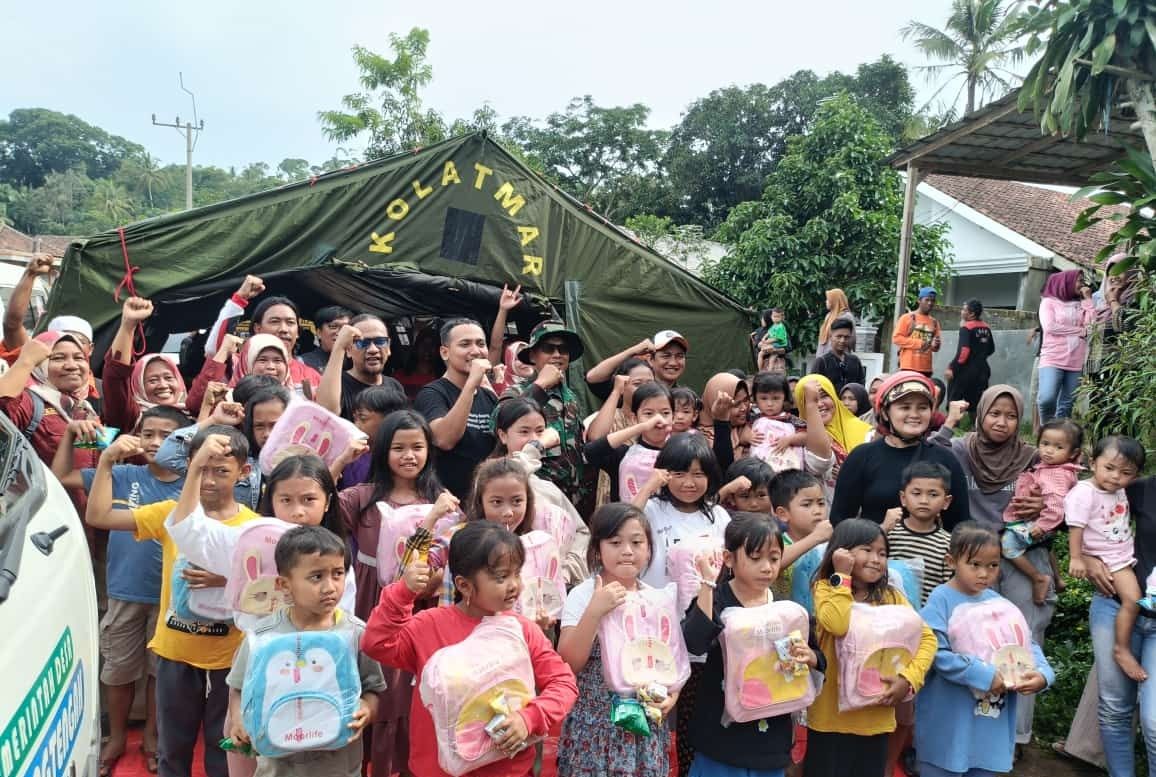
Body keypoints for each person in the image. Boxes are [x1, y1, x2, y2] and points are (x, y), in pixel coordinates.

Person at [85, 426, 258, 777]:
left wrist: (227, 579)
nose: (209, 480)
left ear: (244, 472)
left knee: (221, 749)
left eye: (221, 471)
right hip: (175, 651)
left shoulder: (254, 527)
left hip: (232, 658)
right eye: (201, 468)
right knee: (172, 747)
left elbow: (267, 592)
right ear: (189, 466)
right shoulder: (171, 513)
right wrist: (105, 462)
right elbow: (99, 516)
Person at [363, 521, 579, 777]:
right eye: (501, 577)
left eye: (517, 573)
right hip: (438, 770)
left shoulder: (521, 630)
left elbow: (563, 683)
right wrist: (402, 593)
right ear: (464, 585)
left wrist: (528, 718)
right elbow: (377, 644)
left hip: (509, 770)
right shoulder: (429, 626)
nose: (514, 585)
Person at [52, 405, 188, 776]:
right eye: (148, 433)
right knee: (118, 670)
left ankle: (152, 738)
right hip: (124, 592)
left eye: (168, 436)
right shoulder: (123, 473)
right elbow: (61, 476)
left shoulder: (192, 483)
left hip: (171, 598)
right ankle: (114, 739)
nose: (155, 442)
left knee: (161, 674)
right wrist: (73, 438)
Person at [931, 385, 1051, 751]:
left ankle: (1014, 736)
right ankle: (965, 733)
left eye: (1011, 415)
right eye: (994, 413)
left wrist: (1043, 507)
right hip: (971, 554)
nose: (1002, 422)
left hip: (1020, 554)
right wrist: (950, 422)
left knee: (1023, 637)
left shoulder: (1031, 457)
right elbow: (927, 453)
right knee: (965, 639)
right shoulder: (960, 449)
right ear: (980, 414)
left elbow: (1060, 500)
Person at [225, 525, 384, 777]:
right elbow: (239, 687)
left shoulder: (355, 633)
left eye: (338, 573)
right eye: (316, 577)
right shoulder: (263, 636)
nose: (330, 587)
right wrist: (238, 719)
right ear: (284, 584)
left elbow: (373, 688)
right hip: (277, 768)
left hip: (337, 767)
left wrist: (367, 708)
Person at [682, 513, 825, 777]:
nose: (767, 567)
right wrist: (707, 584)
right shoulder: (717, 599)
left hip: (771, 731)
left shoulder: (784, 608)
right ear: (729, 558)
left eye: (773, 558)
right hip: (721, 734)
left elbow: (817, 656)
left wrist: (810, 657)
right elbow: (694, 641)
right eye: (755, 557)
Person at [914, 523, 1053, 777]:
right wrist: (983, 675)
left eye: (993, 565)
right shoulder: (940, 600)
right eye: (974, 564)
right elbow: (936, 653)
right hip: (949, 720)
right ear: (951, 561)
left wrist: (1043, 674)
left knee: (983, 768)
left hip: (990, 727)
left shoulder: (1002, 604)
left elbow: (1026, 644)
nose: (984, 574)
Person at [805, 518, 936, 777]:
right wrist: (841, 576)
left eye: (883, 553)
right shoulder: (826, 588)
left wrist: (908, 679)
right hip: (830, 720)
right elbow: (838, 624)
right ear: (841, 551)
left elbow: (927, 640)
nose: (876, 559)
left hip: (876, 717)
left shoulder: (892, 597)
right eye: (867, 549)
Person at [556, 504, 677, 777]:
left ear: (649, 549)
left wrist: (672, 696)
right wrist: (595, 611)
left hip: (644, 724)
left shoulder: (655, 600)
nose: (627, 551)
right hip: (595, 724)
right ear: (597, 549)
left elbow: (670, 661)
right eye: (615, 542)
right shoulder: (583, 594)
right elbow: (568, 662)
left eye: (636, 542)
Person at [831, 372, 969, 531]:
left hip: (931, 554)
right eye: (905, 407)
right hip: (873, 553)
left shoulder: (945, 460)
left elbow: (960, 525)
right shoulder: (862, 457)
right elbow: (840, 521)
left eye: (923, 407)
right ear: (885, 412)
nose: (914, 414)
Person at [1066, 435, 1146, 682]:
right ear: (1093, 463)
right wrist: (1077, 558)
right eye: (1108, 468)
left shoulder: (1120, 490)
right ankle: (1121, 648)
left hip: (1121, 555)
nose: (1115, 477)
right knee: (1133, 600)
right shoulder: (1084, 492)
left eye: (1125, 473)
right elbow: (1075, 527)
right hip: (1111, 560)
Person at [500, 319, 588, 508]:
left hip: (571, 498)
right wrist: (539, 386)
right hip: (534, 494)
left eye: (563, 349)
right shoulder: (516, 391)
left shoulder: (571, 397)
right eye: (549, 348)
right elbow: (497, 423)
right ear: (532, 355)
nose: (557, 354)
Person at [1001, 419, 1083, 605]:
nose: (1048, 450)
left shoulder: (1057, 474)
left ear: (1073, 453)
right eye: (1045, 444)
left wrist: (1042, 525)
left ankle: (1038, 577)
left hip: (1041, 523)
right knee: (1046, 545)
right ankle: (1057, 578)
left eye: (1058, 447)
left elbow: (1056, 504)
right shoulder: (1054, 467)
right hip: (1044, 524)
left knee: (1008, 545)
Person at [414, 318, 498, 499]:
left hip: (485, 501)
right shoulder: (432, 394)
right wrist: (472, 383)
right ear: (445, 352)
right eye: (465, 344)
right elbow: (444, 439)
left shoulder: (489, 396)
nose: (475, 351)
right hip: (447, 503)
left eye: (481, 344)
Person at [0, 332, 102, 470]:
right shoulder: (30, 402)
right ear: (40, 365)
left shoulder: (85, 409)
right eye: (58, 358)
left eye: (79, 358)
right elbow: (3, 411)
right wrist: (26, 361)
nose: (72, 365)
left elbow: (87, 469)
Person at [203, 277, 323, 393]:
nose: (284, 329)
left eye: (290, 322)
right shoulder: (236, 365)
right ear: (257, 328)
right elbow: (214, 350)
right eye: (274, 321)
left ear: (297, 332)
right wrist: (238, 300)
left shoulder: (311, 376)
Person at [102, 296, 191, 432]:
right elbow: (116, 376)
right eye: (152, 380)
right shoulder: (130, 417)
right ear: (138, 386)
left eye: (168, 378)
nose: (163, 385)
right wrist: (128, 326)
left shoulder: (192, 416)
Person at [584, 382, 674, 504]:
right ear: (634, 418)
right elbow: (591, 451)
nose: (657, 420)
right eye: (648, 414)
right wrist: (642, 427)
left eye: (665, 413)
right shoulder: (624, 455)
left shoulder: (681, 453)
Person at [792, 375, 873, 501]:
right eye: (809, 400)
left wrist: (852, 477)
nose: (819, 404)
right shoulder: (797, 438)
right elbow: (819, 464)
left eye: (824, 396)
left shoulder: (867, 433)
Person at [886, 461, 954, 607]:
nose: (924, 500)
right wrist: (882, 529)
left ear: (946, 502)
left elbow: (948, 589)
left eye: (933, 494)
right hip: (887, 614)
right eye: (916, 493)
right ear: (903, 498)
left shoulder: (948, 543)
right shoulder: (889, 534)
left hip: (925, 621)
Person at [317, 315, 406, 421]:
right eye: (363, 343)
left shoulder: (395, 386)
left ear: (389, 347)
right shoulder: (337, 385)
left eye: (380, 341)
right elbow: (326, 415)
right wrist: (339, 346)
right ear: (349, 350)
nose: (373, 349)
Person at [1037, 270, 1095, 421]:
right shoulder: (1048, 302)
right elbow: (1050, 327)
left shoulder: (1081, 304)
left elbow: (1092, 328)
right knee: (1046, 398)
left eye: (1083, 281)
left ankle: (1060, 437)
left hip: (1075, 360)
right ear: (1066, 282)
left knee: (1067, 405)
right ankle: (1047, 428)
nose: (1082, 284)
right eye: (1079, 281)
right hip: (1053, 358)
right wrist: (1080, 331)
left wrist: (1088, 300)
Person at [772, 468, 834, 609]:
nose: (817, 511)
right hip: (787, 621)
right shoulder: (777, 542)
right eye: (807, 504)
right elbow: (774, 562)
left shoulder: (830, 543)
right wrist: (815, 538)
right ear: (783, 514)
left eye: (821, 503)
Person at [945, 299, 994, 421]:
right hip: (982, 370)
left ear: (971, 314)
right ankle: (977, 427)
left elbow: (964, 351)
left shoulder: (966, 328)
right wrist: (979, 358)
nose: (961, 312)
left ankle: (953, 426)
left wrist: (952, 367)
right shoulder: (986, 328)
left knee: (954, 398)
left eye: (964, 309)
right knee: (976, 401)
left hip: (964, 371)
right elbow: (991, 349)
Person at [892, 287, 942, 377]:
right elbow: (897, 338)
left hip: (926, 369)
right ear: (919, 300)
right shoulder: (907, 318)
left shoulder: (934, 322)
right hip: (908, 367)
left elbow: (935, 348)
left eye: (932, 301)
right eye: (927, 300)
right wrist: (921, 343)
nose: (930, 303)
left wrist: (936, 345)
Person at [810, 319, 865, 394]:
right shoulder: (821, 362)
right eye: (839, 336)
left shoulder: (855, 361)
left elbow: (861, 388)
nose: (842, 340)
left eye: (846, 337)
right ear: (830, 336)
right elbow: (813, 389)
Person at [299, 304, 352, 372]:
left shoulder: (356, 363)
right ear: (319, 333)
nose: (341, 332)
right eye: (333, 326)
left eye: (346, 328)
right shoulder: (303, 363)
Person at [817, 289, 855, 358]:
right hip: (823, 357)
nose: (826, 302)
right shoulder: (829, 315)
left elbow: (851, 338)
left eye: (828, 300)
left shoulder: (846, 316)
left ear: (835, 300)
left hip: (838, 357)